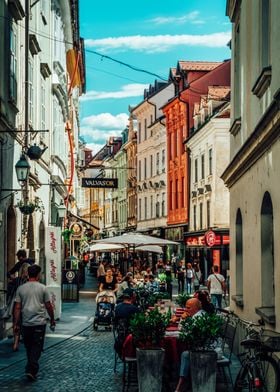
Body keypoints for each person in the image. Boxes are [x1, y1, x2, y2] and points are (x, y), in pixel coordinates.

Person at [13, 264, 55, 381]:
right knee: (36, 347)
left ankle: (30, 368)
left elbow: (17, 307)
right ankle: (31, 369)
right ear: (38, 275)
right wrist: (52, 319)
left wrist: (16, 323)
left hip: (26, 323)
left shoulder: (21, 289)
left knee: (28, 346)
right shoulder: (43, 288)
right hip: (39, 323)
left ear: (28, 274)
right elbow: (48, 306)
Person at [175, 298, 206, 392]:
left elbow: (184, 332)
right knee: (183, 353)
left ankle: (181, 384)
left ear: (195, 308)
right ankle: (185, 380)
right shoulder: (198, 314)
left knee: (185, 354)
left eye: (188, 307)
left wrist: (183, 319)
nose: (185, 309)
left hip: (205, 349)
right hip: (200, 346)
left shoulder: (198, 317)